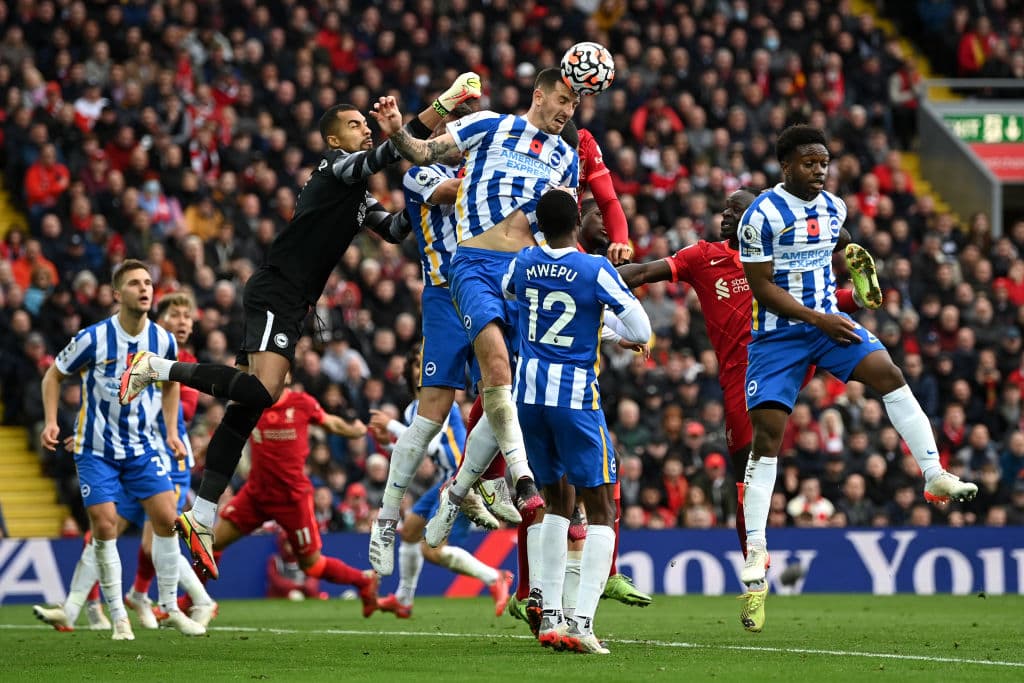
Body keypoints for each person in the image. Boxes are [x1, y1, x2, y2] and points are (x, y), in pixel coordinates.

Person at [116, 74, 482, 580]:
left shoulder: (355, 195)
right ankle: (155, 366)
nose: (365, 131)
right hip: (278, 289)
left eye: (365, 125)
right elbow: (379, 159)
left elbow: (396, 231)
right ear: (335, 139)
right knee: (263, 391)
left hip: (291, 298)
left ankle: (201, 515)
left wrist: (430, 197)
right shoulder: (335, 169)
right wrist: (441, 106)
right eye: (356, 126)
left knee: (245, 409)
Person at [736, 125, 978, 634]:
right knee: (767, 438)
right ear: (785, 166)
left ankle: (933, 473)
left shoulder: (834, 206)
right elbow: (759, 288)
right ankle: (756, 550)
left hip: (828, 326)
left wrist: (854, 266)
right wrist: (818, 318)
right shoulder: (760, 215)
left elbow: (840, 243)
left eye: (824, 162)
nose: (819, 170)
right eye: (808, 162)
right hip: (780, 336)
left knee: (890, 374)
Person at [369, 67, 580, 573]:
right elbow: (432, 174)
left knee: (504, 381)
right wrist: (407, 130)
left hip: (512, 277)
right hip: (449, 286)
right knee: (433, 412)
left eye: (575, 106)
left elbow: (551, 218)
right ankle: (385, 518)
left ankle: (466, 488)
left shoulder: (555, 157)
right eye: (564, 101)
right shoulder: (455, 155)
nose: (569, 111)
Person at [619, 188, 874, 556]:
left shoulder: (777, 257)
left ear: (753, 219)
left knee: (821, 317)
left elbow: (841, 241)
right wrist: (600, 278)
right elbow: (643, 271)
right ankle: (755, 564)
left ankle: (858, 302)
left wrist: (810, 232)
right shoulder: (701, 256)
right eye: (724, 209)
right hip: (740, 378)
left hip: (785, 357)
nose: (724, 215)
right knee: (746, 481)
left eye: (734, 210)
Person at [369, 102, 518, 575]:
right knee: (431, 416)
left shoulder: (482, 167)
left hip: (490, 288)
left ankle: (476, 483)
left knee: (501, 390)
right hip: (444, 296)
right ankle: (386, 518)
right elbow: (454, 193)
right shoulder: (422, 174)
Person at [504, 189, 652, 654]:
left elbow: (510, 292)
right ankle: (582, 623)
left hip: (528, 397)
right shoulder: (594, 268)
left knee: (555, 503)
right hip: (574, 399)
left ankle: (549, 614)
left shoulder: (524, 261)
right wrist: (604, 328)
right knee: (602, 508)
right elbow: (641, 329)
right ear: (576, 225)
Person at [34, 259, 204, 639]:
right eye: (134, 284)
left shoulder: (162, 339)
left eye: (148, 283)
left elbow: (172, 381)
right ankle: (117, 617)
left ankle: (171, 607)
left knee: (166, 519)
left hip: (142, 448)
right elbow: (53, 375)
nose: (145, 289)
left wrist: (172, 431)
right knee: (106, 526)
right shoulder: (93, 338)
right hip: (95, 449)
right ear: (116, 294)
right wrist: (50, 421)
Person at [212, 380, 379, 617]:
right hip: (256, 495)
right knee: (211, 544)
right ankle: (194, 601)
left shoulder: (302, 403)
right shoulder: (251, 401)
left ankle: (363, 581)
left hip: (292, 499)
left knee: (311, 564)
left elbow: (331, 422)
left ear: (286, 372)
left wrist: (358, 430)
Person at [371, 346, 513, 619]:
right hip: (443, 481)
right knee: (411, 530)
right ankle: (403, 599)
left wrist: (390, 426)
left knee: (432, 550)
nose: (419, 369)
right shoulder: (414, 408)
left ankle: (495, 578)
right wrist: (390, 445)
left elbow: (433, 444)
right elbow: (416, 452)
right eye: (415, 365)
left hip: (462, 480)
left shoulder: (441, 401)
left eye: (423, 364)